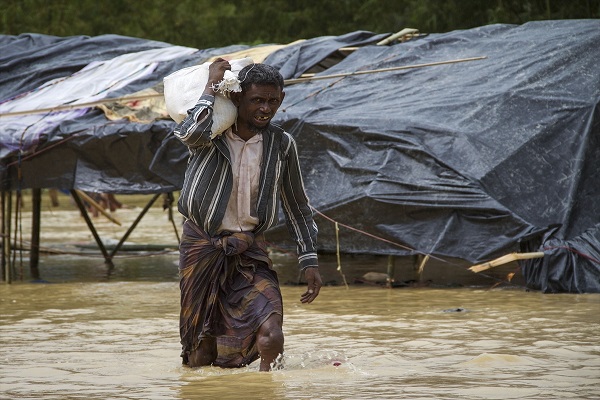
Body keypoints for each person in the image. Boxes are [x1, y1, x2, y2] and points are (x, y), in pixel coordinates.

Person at [173, 59, 322, 372]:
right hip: (202, 246)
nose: (265, 109)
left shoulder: (282, 144)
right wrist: (212, 84)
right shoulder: (211, 135)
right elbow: (188, 133)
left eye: (272, 101)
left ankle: (269, 389)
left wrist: (309, 260)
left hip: (249, 248)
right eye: (257, 100)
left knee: (271, 332)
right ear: (238, 99)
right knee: (202, 350)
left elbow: (297, 205)